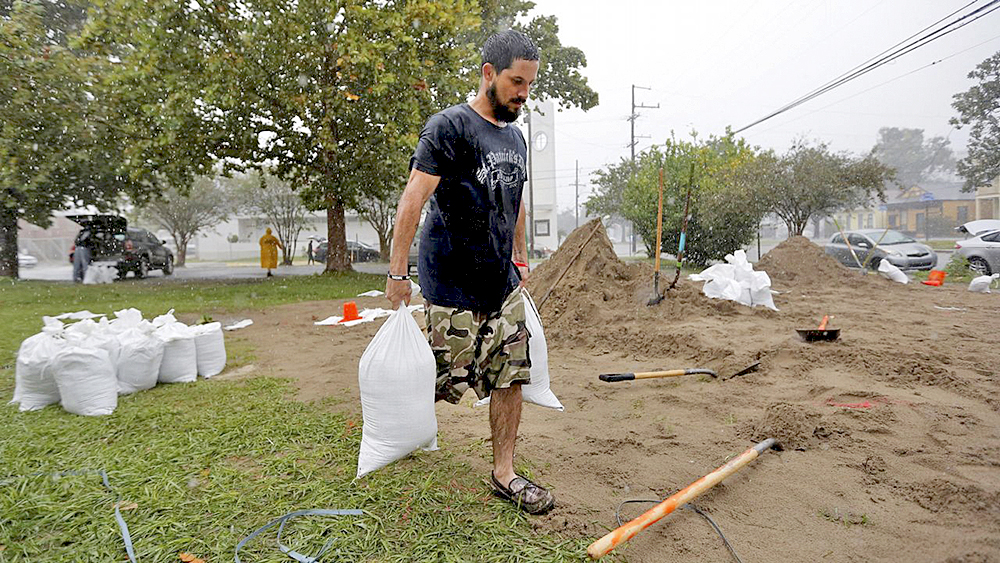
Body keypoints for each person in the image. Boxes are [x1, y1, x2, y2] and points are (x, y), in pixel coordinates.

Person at [385, 30, 553, 514]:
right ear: (488, 74)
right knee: (443, 380)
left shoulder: (517, 139)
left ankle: (504, 473)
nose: (523, 93)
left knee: (511, 374)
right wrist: (399, 274)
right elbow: (414, 197)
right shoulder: (450, 127)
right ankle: (395, 423)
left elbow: (516, 200)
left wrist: (520, 257)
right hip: (451, 283)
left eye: (529, 84)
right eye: (515, 82)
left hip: (501, 284)